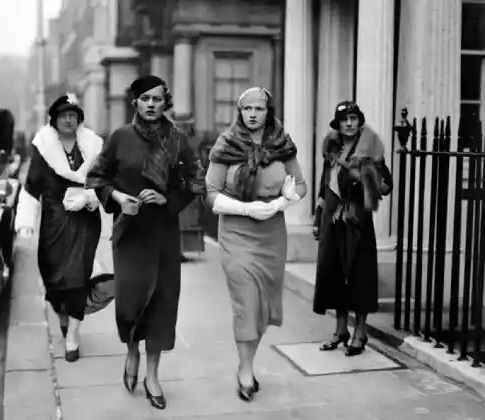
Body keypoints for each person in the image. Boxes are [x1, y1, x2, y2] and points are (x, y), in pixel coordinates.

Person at [86, 75, 204, 410]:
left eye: (156, 99)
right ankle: (131, 351)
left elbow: (195, 180)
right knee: (131, 302)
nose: (151, 104)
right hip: (129, 233)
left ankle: (153, 376)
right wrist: (119, 197)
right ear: (135, 102)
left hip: (164, 233)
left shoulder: (177, 140)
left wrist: (167, 198)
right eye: (144, 99)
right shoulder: (120, 138)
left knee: (162, 303)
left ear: (164, 102)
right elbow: (97, 177)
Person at [205, 86, 306, 402]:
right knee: (246, 302)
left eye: (258, 108)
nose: (252, 114)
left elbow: (300, 184)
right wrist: (247, 208)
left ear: (268, 112)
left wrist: (284, 202)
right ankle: (245, 370)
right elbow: (209, 194)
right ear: (240, 111)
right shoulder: (227, 144)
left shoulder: (282, 145)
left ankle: (248, 361)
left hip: (272, 233)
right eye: (247, 108)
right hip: (237, 231)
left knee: (262, 306)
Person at [16, 93, 104, 363]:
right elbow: (31, 188)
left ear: (79, 119)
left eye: (73, 115)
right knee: (53, 278)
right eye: (64, 115)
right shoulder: (43, 148)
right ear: (53, 119)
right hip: (54, 222)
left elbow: (106, 183)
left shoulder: (93, 146)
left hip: (85, 221)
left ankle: (73, 334)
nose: (69, 119)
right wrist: (25, 223)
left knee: (78, 278)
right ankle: (64, 316)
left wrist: (89, 198)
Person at [312, 101, 392, 357]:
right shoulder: (332, 148)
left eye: (353, 118)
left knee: (360, 275)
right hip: (332, 219)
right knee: (334, 273)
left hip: (357, 220)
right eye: (344, 119)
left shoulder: (370, 150)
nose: (349, 123)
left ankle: (360, 332)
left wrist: (366, 177)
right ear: (338, 123)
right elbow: (325, 185)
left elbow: (386, 185)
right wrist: (318, 217)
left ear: (360, 121)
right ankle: (340, 330)